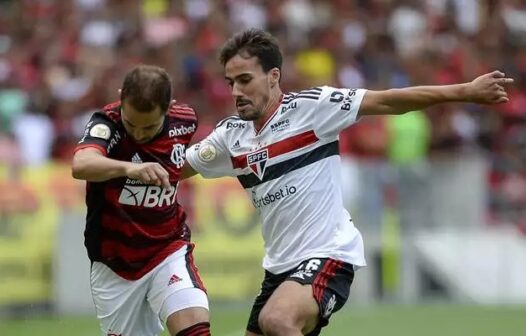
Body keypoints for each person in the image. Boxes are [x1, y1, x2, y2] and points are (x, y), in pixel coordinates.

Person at [182, 29, 513, 336]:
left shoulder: (313, 108)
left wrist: (465, 91)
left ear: (273, 77)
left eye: (244, 80)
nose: (237, 92)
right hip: (279, 269)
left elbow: (388, 100)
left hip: (329, 254)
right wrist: (132, 163)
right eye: (230, 83)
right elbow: (176, 168)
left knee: (277, 320)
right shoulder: (230, 135)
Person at [72, 65, 211, 336]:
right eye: (131, 123)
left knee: (194, 328)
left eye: (149, 127)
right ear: (121, 97)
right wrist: (130, 168)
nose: (138, 133)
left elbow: (181, 162)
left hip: (167, 248)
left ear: (168, 107)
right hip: (115, 263)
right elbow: (81, 163)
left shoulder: (186, 121)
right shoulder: (107, 122)